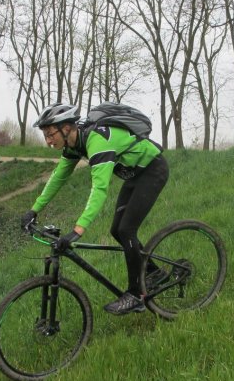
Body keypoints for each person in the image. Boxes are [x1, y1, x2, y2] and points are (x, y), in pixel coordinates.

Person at [21, 103, 169, 315]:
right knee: (117, 230)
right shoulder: (74, 145)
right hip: (135, 176)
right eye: (45, 135)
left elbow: (99, 189)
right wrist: (33, 210)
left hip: (153, 170)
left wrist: (78, 230)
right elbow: (58, 178)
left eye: (50, 134)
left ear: (66, 128)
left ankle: (136, 295)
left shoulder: (97, 141)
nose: (48, 140)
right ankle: (154, 273)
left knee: (126, 229)